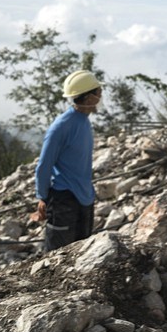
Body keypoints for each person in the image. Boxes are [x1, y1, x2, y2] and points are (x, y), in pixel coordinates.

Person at [31, 70, 103, 251]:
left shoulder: (84, 121)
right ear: (88, 98)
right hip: (64, 200)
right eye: (98, 92)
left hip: (85, 198)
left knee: (82, 252)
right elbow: (44, 166)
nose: (101, 96)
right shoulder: (61, 126)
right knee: (58, 256)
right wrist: (43, 198)